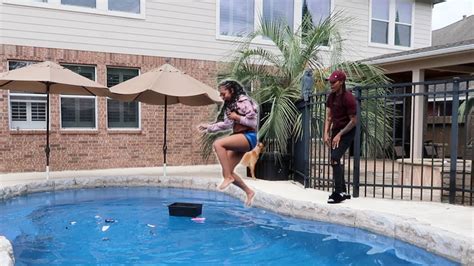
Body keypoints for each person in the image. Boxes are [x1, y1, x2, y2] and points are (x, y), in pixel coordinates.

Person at [198, 79, 258, 206]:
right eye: (220, 94)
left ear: (231, 90)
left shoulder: (243, 101)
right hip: (239, 137)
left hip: (249, 136)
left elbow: (253, 122)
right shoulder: (229, 106)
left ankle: (228, 177)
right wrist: (209, 127)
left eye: (223, 94)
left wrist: (238, 118)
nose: (222, 97)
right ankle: (249, 192)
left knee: (218, 144)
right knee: (228, 170)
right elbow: (226, 125)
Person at [323, 70, 357, 204]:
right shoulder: (331, 97)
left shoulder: (348, 98)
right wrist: (326, 133)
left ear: (341, 82)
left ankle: (338, 193)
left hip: (347, 131)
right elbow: (329, 117)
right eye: (330, 82)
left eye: (333, 82)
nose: (331, 84)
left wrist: (339, 134)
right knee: (334, 159)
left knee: (335, 158)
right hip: (336, 130)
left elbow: (354, 121)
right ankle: (343, 191)